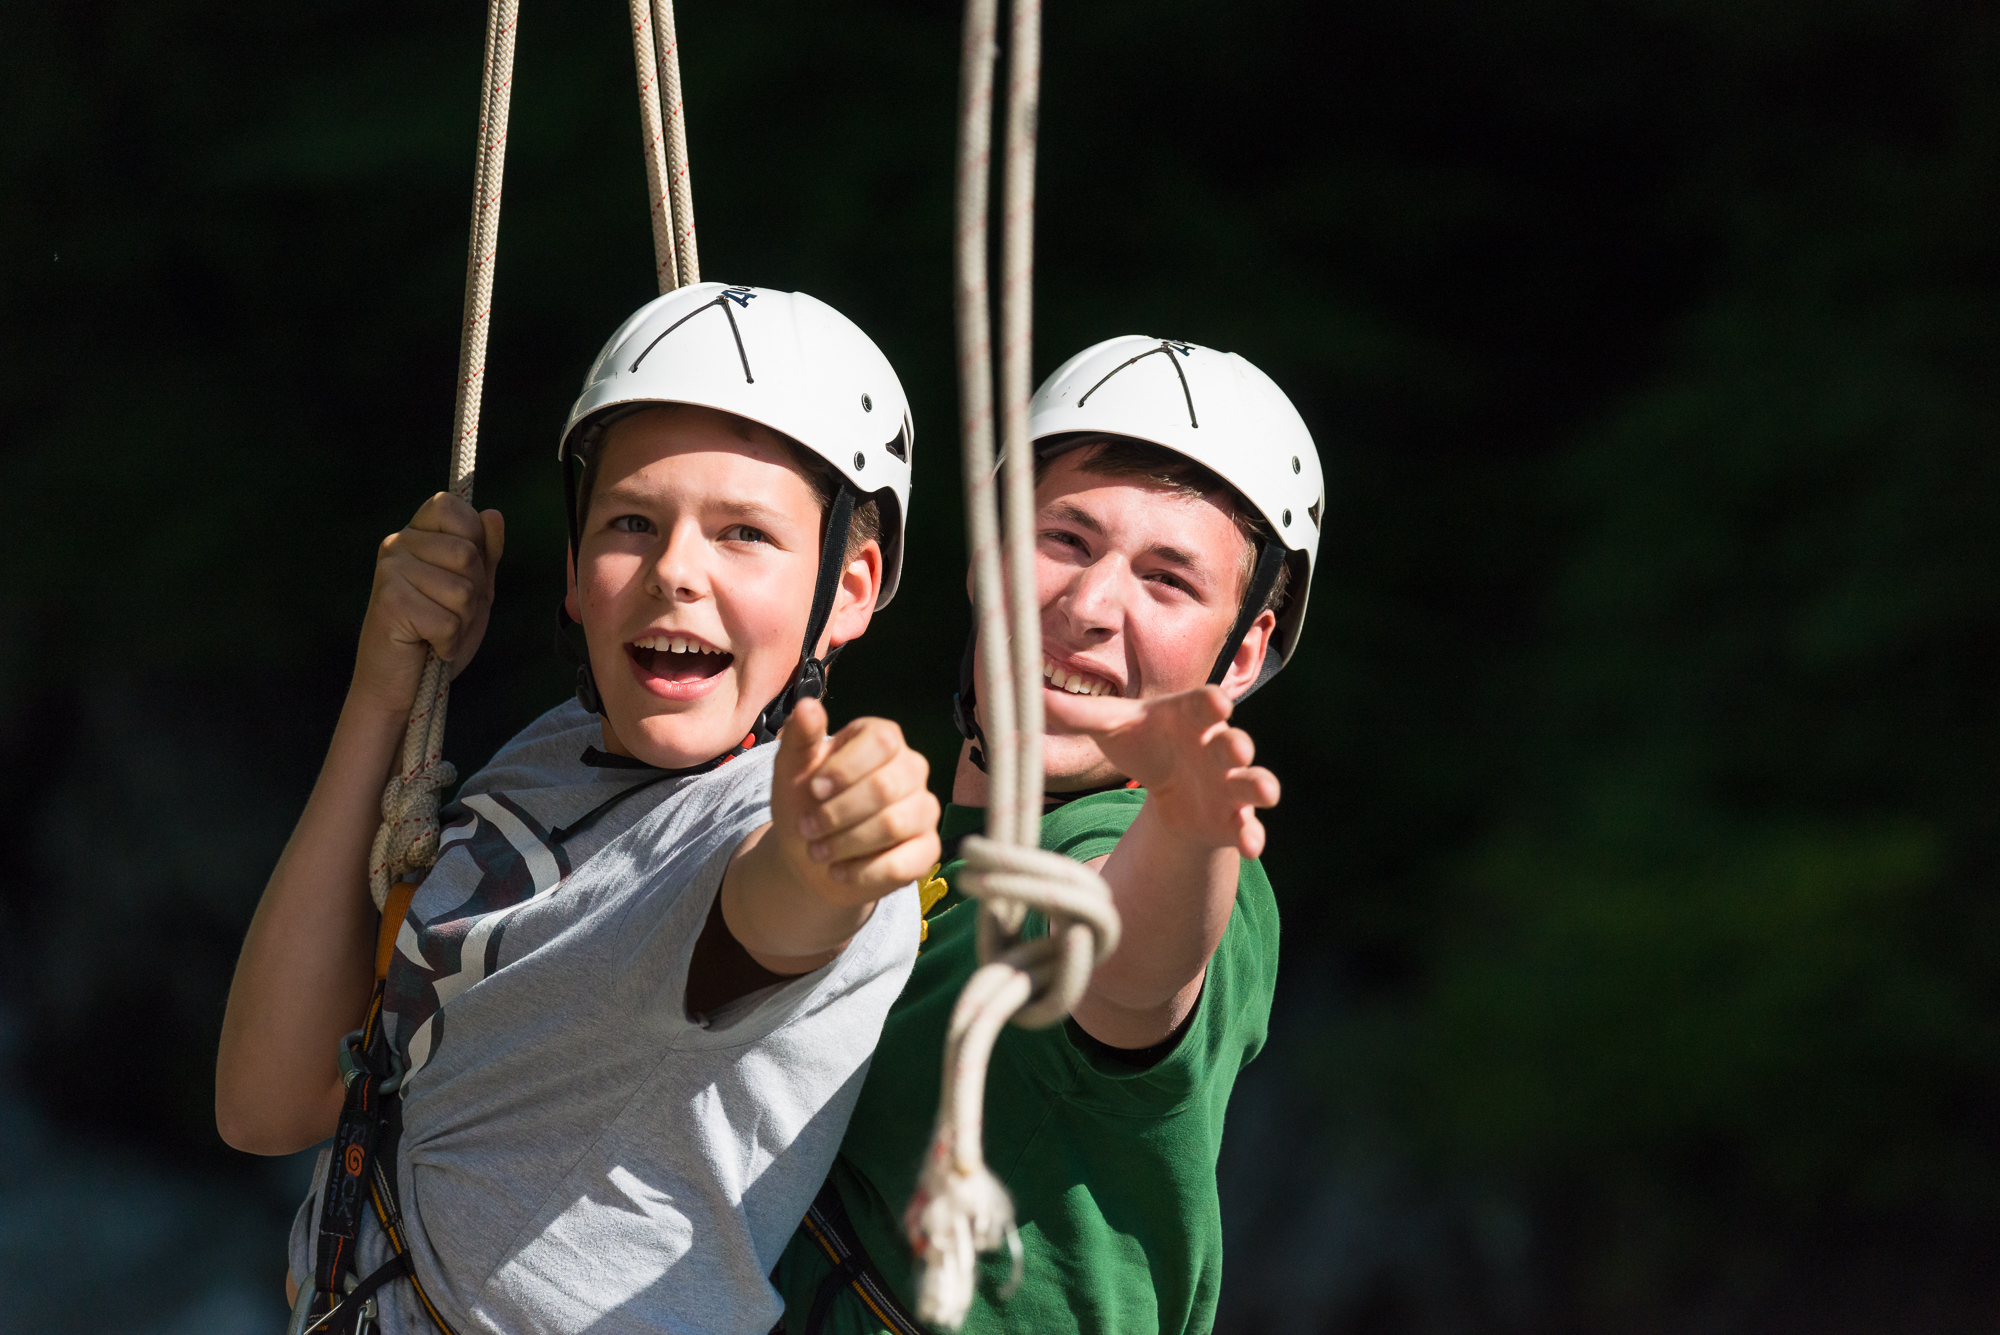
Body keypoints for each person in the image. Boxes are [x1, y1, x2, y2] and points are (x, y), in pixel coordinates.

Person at [214, 282, 944, 1335]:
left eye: (743, 533)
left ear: (852, 586)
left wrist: (836, 853)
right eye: (630, 523)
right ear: (570, 570)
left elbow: (773, 911)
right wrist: (384, 690)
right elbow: (265, 1105)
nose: (673, 573)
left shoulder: (757, 836)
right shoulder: (560, 750)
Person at [771, 336, 1324, 1335]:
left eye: (1166, 580)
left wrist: (1189, 829)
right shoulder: (909, 863)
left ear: (1239, 652)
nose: (1087, 605)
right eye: (1064, 541)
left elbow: (1119, 967)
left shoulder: (1172, 867)